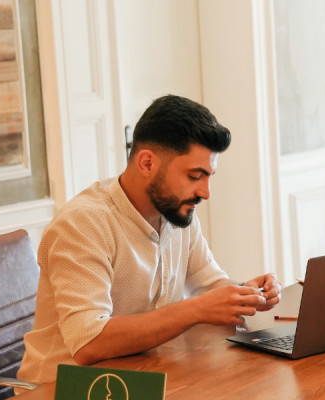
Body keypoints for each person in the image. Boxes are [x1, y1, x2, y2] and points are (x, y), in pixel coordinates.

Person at [18, 95, 282, 385]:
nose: (205, 192)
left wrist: (247, 294)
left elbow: (209, 285)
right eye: (195, 175)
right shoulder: (82, 224)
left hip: (140, 377)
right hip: (69, 388)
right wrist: (196, 309)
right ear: (147, 163)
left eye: (208, 176)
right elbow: (88, 344)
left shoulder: (177, 213)